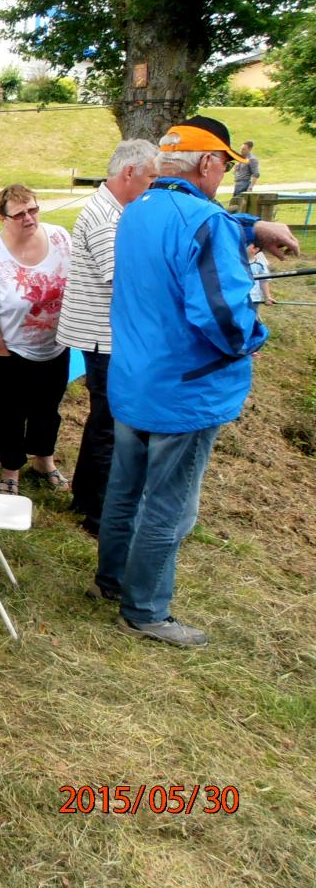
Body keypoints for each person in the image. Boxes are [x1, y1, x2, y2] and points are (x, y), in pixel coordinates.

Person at [96, 116, 293, 647]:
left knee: (125, 490)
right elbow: (222, 317)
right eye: (225, 164)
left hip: (135, 380)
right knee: (168, 505)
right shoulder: (205, 223)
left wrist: (251, 228)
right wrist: (255, 337)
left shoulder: (136, 210)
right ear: (208, 163)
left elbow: (199, 222)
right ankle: (145, 611)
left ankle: (112, 581)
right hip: (185, 391)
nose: (226, 173)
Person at [55, 139, 160, 539]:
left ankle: (86, 497)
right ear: (129, 173)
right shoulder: (105, 217)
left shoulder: (118, 210)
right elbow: (122, 280)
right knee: (111, 425)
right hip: (104, 338)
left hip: (106, 335)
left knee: (104, 420)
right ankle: (97, 514)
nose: (153, 185)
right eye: (151, 176)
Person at [0, 183, 72, 496]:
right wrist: (0, 350)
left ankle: (44, 460)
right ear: (3, 218)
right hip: (9, 350)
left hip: (55, 345)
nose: (29, 218)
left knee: (47, 408)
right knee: (8, 412)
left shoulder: (59, 237)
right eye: (19, 213)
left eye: (33, 209)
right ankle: (11, 469)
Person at [247, 244, 275, 310]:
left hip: (253, 299)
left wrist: (267, 297)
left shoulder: (260, 264)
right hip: (236, 297)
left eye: (246, 244)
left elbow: (264, 282)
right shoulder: (235, 262)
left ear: (255, 249)